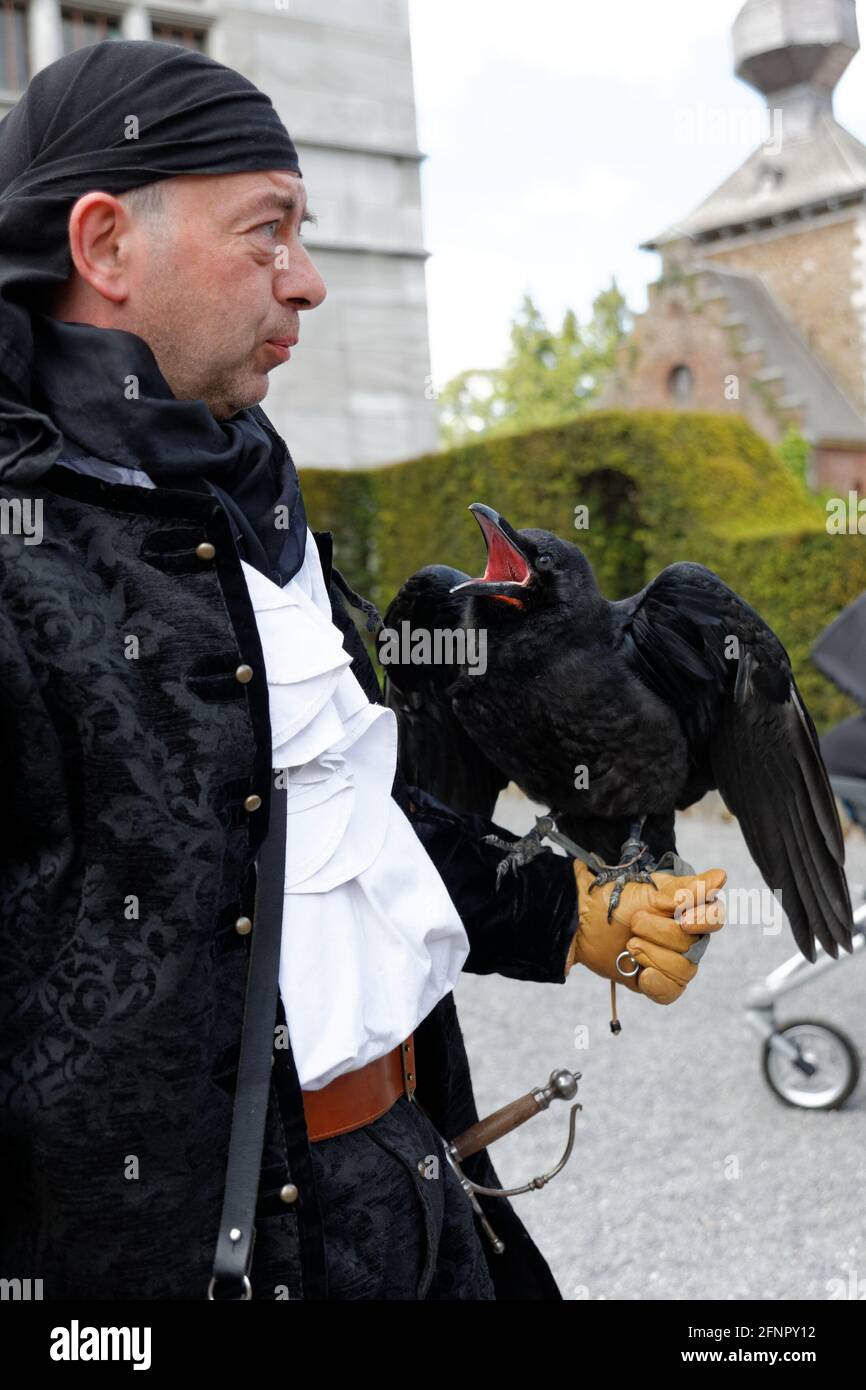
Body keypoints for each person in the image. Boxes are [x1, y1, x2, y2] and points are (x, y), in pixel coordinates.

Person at [0, 40, 727, 1301]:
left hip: (414, 1176)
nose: (310, 281)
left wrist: (565, 912)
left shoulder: (254, 499)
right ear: (106, 246)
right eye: (268, 232)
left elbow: (325, 809)